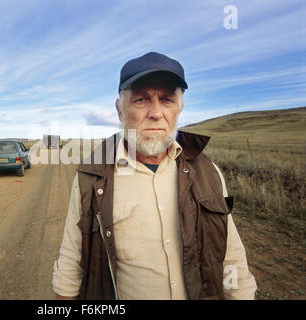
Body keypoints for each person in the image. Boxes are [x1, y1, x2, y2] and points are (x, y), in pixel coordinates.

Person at [52, 52, 257, 300]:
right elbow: (70, 268)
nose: (156, 113)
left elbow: (231, 258)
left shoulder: (209, 173)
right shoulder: (91, 178)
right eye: (141, 100)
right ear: (120, 110)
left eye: (167, 100)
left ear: (180, 108)